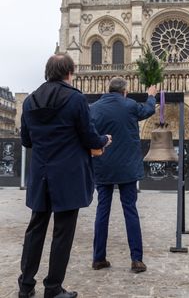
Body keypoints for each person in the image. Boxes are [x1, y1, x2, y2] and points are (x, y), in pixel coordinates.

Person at [18, 53, 112, 298]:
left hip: (40, 176)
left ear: (48, 72)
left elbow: (26, 140)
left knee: (35, 229)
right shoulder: (76, 99)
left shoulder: (29, 101)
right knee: (62, 233)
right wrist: (105, 140)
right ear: (70, 73)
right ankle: (53, 288)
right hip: (68, 176)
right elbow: (89, 137)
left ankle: (25, 287)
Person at [90, 77, 157, 273]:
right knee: (130, 211)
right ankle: (136, 259)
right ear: (125, 92)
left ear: (108, 89)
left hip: (103, 166)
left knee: (102, 211)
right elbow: (149, 110)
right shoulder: (130, 105)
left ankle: (98, 258)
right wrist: (151, 96)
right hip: (127, 168)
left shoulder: (94, 108)